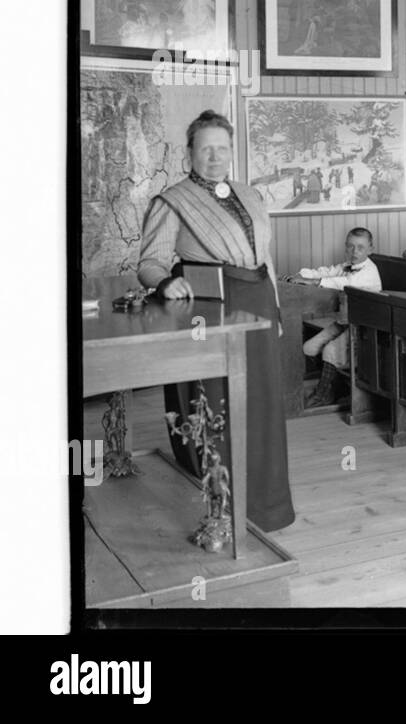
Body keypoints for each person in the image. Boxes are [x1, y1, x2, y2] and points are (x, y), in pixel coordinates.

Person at [136, 110, 294, 531]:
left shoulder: (250, 194)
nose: (214, 156)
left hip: (258, 305)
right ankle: (217, 507)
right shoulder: (171, 200)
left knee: (260, 402)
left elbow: (265, 259)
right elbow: (150, 262)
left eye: (221, 148)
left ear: (231, 151)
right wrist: (165, 282)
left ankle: (267, 506)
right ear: (189, 152)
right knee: (215, 404)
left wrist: (275, 310)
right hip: (209, 309)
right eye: (205, 148)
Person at [290, 227, 383, 408]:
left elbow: (344, 283)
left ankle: (324, 394)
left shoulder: (369, 272)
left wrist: (314, 282)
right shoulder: (346, 265)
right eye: (350, 247)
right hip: (344, 321)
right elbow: (327, 272)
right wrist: (302, 276)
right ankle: (338, 386)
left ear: (371, 249)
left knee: (330, 350)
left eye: (360, 247)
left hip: (363, 328)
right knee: (309, 347)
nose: (354, 252)